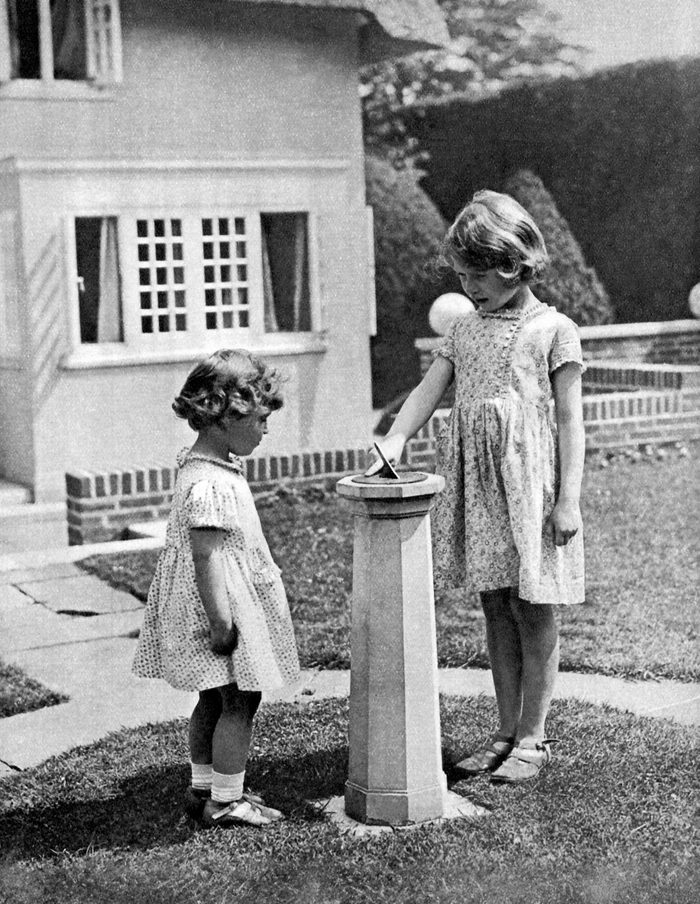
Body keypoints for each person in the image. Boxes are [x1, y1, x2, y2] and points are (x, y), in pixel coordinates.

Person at [369, 190, 585, 783]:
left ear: (516, 265)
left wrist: (568, 499)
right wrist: (394, 439)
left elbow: (570, 421)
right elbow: (426, 392)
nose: (470, 287)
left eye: (480, 275)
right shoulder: (464, 331)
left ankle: (534, 737)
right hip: (481, 487)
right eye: (462, 276)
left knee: (533, 606)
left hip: (532, 489)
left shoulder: (554, 330)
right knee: (495, 601)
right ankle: (506, 729)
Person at [133, 349, 300, 826]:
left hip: (208, 602)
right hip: (218, 606)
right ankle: (227, 800)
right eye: (262, 419)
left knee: (212, 697)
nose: (266, 430)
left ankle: (204, 787)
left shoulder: (201, 466)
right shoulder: (210, 483)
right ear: (230, 414)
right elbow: (206, 556)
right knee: (240, 698)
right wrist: (222, 623)